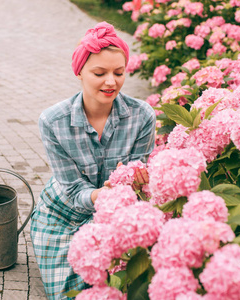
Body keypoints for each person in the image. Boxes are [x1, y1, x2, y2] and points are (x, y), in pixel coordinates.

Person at [30, 21, 156, 300]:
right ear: (80, 72)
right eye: (99, 73)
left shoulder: (142, 115)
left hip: (116, 216)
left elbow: (139, 174)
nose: (111, 82)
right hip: (64, 217)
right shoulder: (53, 121)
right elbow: (73, 192)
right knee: (72, 295)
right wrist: (104, 194)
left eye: (119, 72)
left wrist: (138, 180)